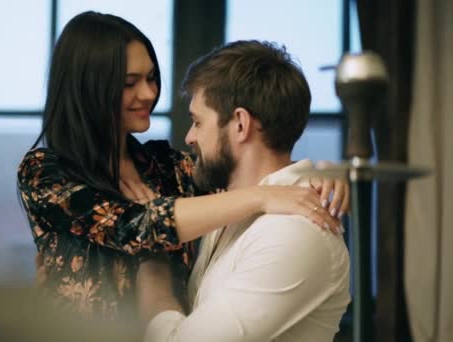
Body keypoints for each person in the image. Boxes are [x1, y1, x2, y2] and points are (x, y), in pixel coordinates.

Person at [17, 11, 347, 321]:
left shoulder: (166, 166)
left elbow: (243, 167)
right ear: (89, 86)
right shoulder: (45, 173)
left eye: (151, 77)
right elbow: (135, 226)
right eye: (130, 82)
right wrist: (264, 195)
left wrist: (316, 175)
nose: (148, 93)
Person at [138, 40, 350, 341]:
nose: (189, 137)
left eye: (198, 122)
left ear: (240, 124)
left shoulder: (293, 233)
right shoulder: (231, 202)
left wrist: (153, 277)